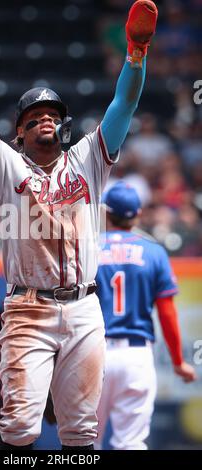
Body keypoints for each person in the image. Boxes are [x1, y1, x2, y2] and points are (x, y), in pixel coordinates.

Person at [0, 1, 158, 450]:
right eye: (34, 116)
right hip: (29, 308)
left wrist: (136, 53)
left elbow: (125, 101)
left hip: (85, 307)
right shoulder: (4, 167)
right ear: (20, 134)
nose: (46, 116)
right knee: (21, 428)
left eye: (52, 113)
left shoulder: (87, 160)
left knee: (82, 432)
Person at [94, 181, 197, 450]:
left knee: (81, 445)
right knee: (131, 443)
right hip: (136, 356)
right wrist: (178, 362)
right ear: (138, 214)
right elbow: (167, 313)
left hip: (91, 355)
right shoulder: (154, 251)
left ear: (105, 212)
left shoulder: (87, 249)